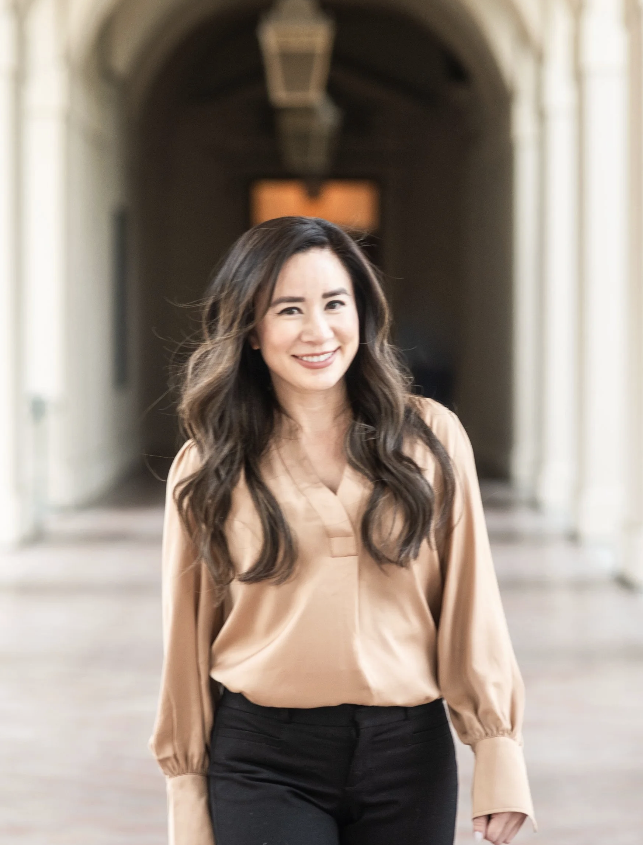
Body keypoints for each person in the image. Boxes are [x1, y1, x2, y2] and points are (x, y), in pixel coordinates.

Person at [149, 216, 536, 845]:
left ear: (363, 312)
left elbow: (472, 603)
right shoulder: (210, 464)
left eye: (334, 303)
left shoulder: (430, 439)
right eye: (289, 309)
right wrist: (187, 798)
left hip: (409, 757)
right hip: (263, 759)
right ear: (251, 329)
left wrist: (497, 749)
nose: (318, 330)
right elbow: (185, 640)